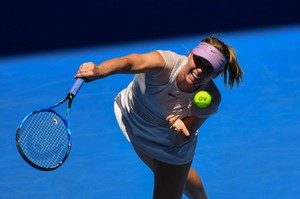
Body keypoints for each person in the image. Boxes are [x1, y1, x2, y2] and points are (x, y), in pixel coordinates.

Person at [75, 36, 243, 199]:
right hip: (133, 120)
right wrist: (100, 70)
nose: (200, 70)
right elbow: (129, 62)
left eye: (209, 69)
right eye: (199, 61)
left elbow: (182, 137)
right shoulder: (165, 63)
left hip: (168, 146)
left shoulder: (210, 98)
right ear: (191, 54)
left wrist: (177, 128)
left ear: (215, 74)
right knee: (175, 176)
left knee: (170, 182)